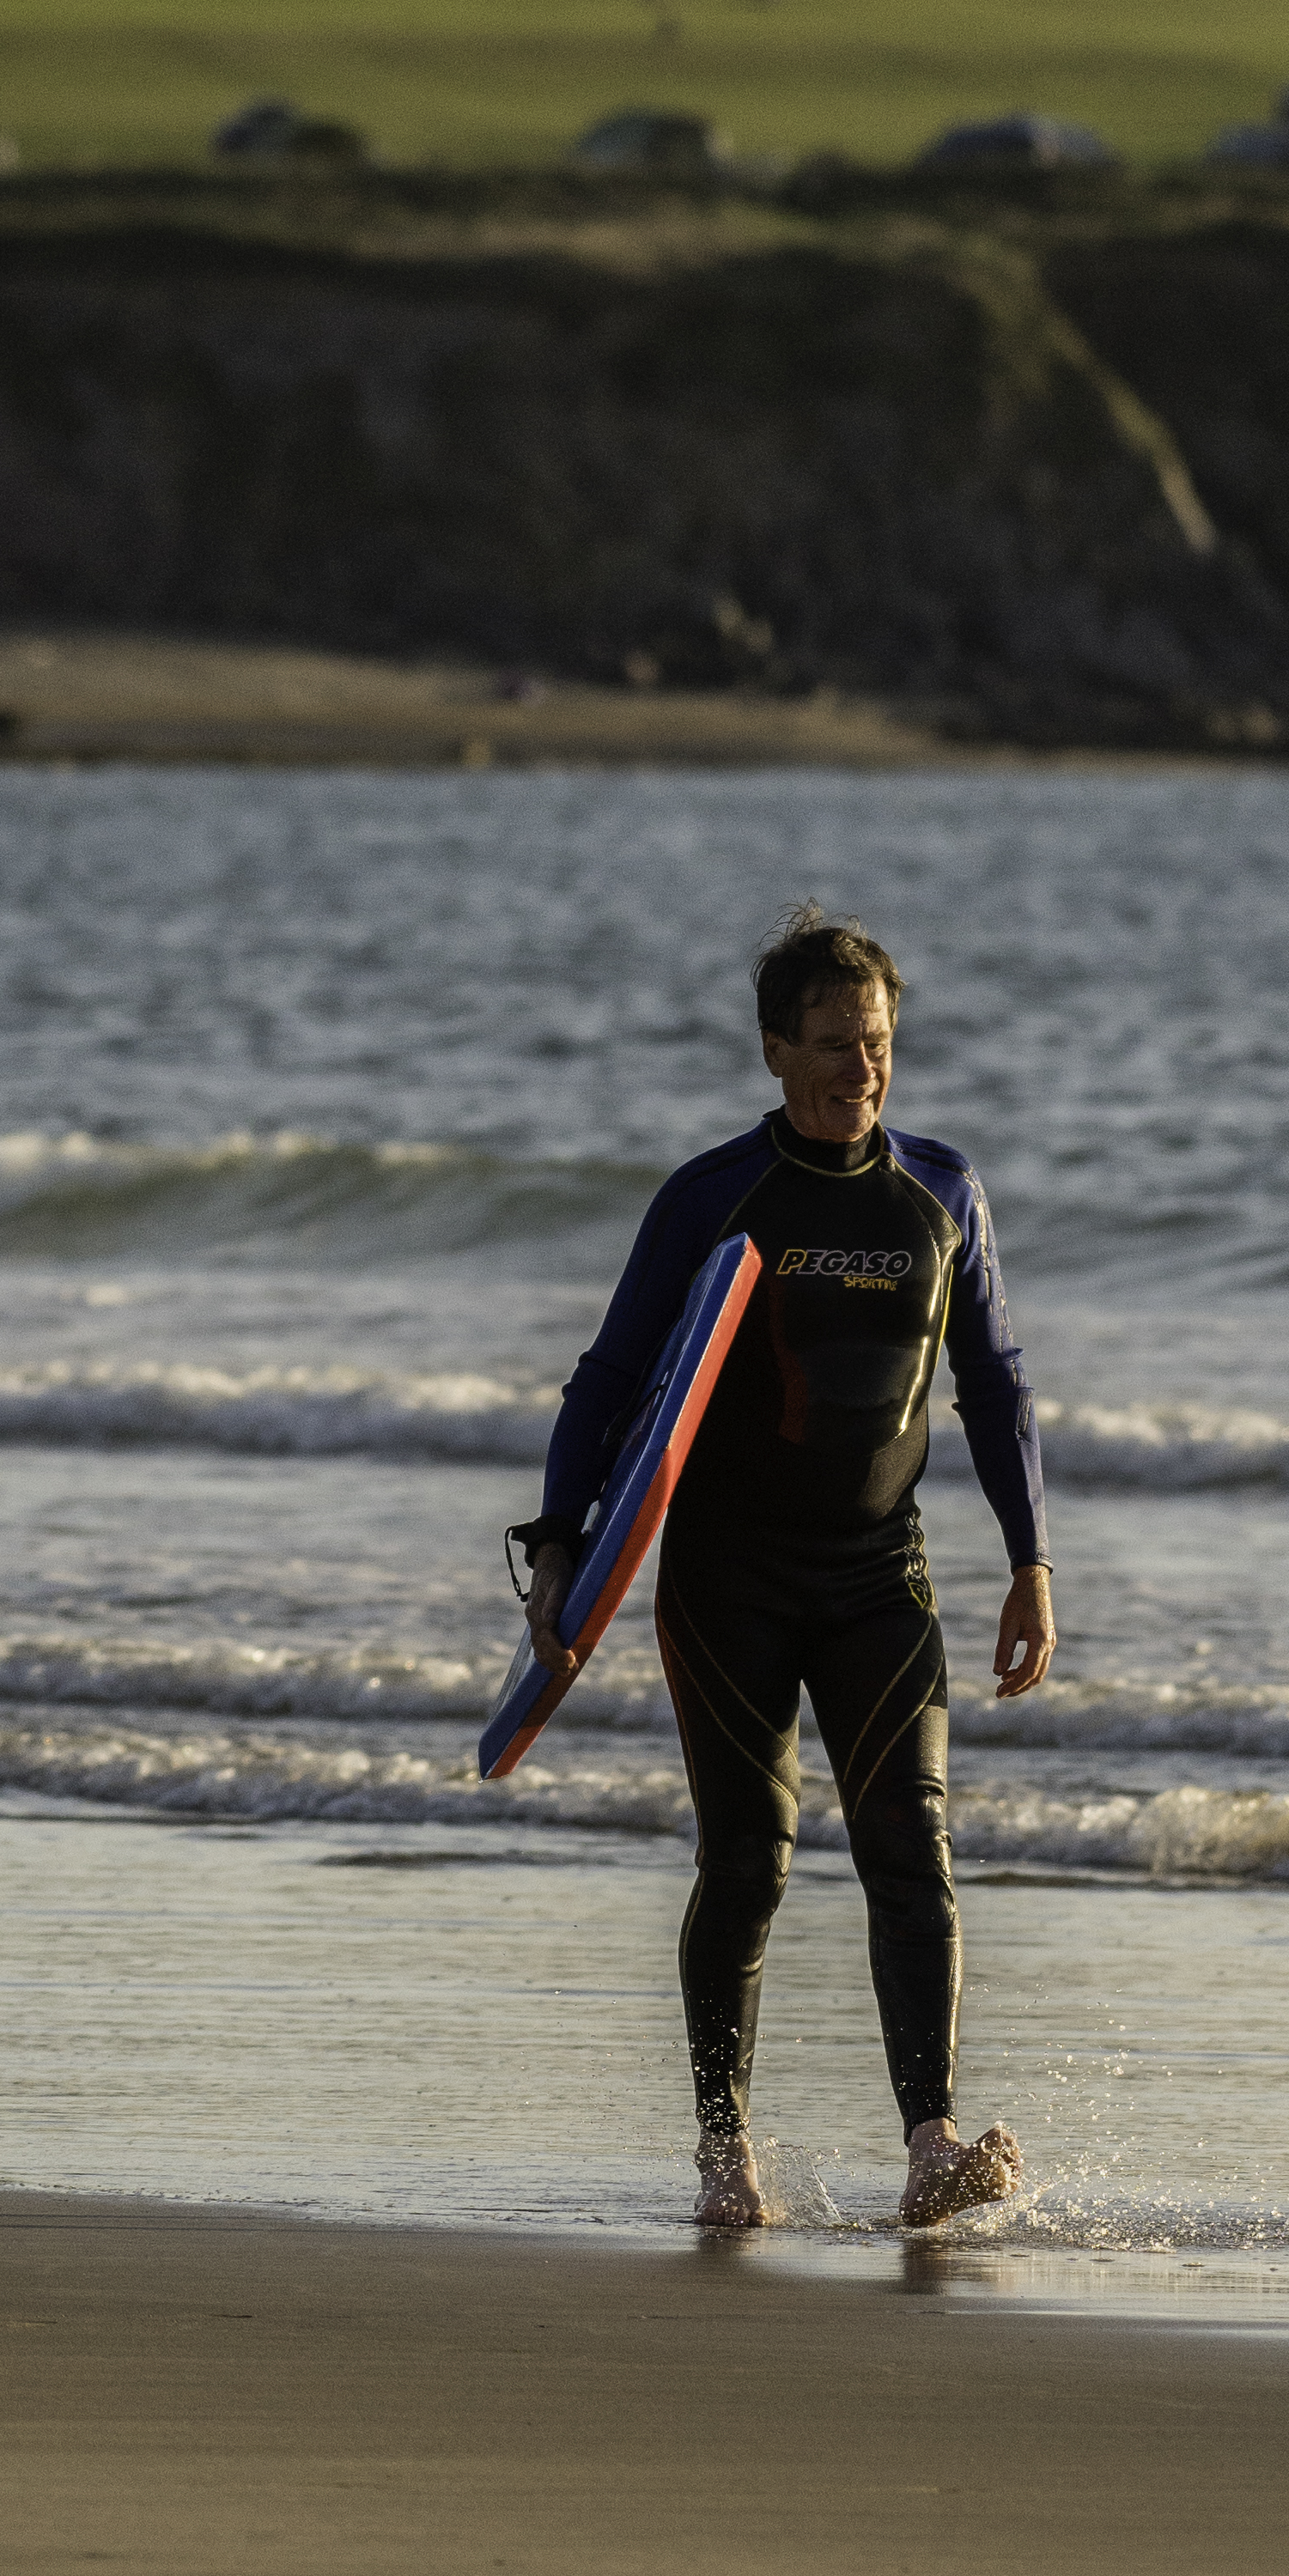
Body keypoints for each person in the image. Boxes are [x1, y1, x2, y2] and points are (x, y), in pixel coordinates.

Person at [514, 902, 1054, 2232]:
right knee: (748, 1859)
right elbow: (613, 1378)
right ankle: (723, 2156)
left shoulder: (943, 1191)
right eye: (833, 1042)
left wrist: (1031, 1559)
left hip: (882, 1571)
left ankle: (928, 2143)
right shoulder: (713, 1197)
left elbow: (993, 1384)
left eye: (877, 1042)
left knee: (909, 1844)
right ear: (773, 1049)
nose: (862, 1068)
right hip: (728, 1580)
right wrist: (563, 1548)